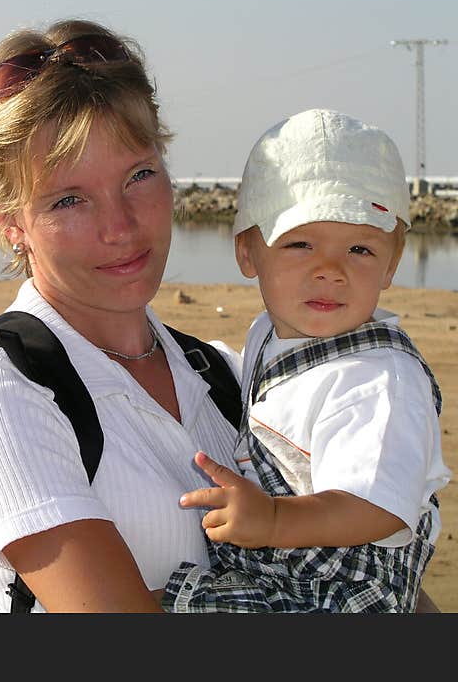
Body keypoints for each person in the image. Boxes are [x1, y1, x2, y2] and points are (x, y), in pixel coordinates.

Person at [0, 18, 242, 612]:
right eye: (69, 199)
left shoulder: (227, 375)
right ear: (9, 222)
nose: (120, 227)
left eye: (139, 175)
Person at [161, 108, 452, 612]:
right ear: (248, 252)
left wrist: (273, 520)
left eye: (360, 248)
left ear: (394, 259)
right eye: (300, 244)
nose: (330, 271)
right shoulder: (269, 335)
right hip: (288, 569)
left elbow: (377, 506)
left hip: (344, 596)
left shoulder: (379, 380)